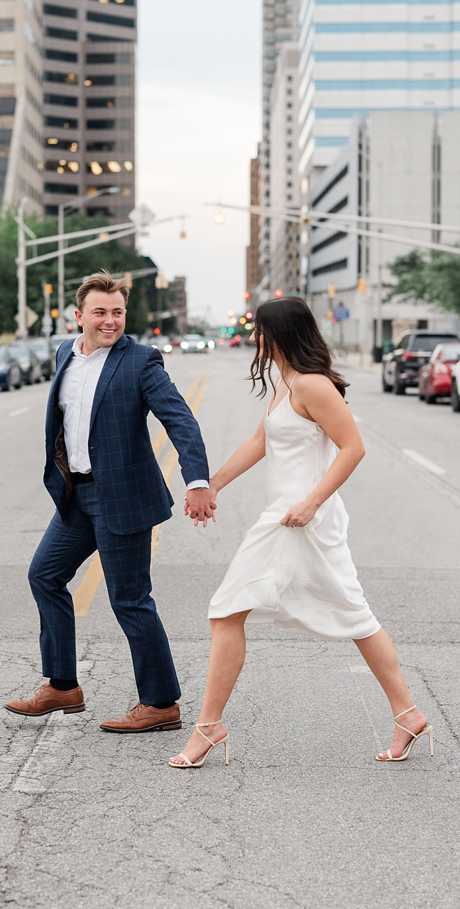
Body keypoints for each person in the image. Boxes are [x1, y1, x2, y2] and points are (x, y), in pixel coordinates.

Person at [167, 296, 431, 769]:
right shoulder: (286, 384)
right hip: (288, 516)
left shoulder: (312, 385)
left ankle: (208, 727)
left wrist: (311, 502)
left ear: (280, 334)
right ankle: (407, 713)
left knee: (228, 610)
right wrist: (209, 486)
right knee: (354, 614)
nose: (254, 339)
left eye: (259, 331)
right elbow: (260, 442)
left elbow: (353, 448)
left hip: (298, 520)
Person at [5, 271, 215, 734]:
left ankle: (160, 703)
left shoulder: (140, 361)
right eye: (100, 312)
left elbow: (181, 421)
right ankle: (62, 685)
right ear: (78, 316)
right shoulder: (65, 354)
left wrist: (197, 481)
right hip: (77, 494)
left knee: (129, 599)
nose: (109, 320)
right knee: (45, 574)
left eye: (117, 312)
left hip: (123, 497)